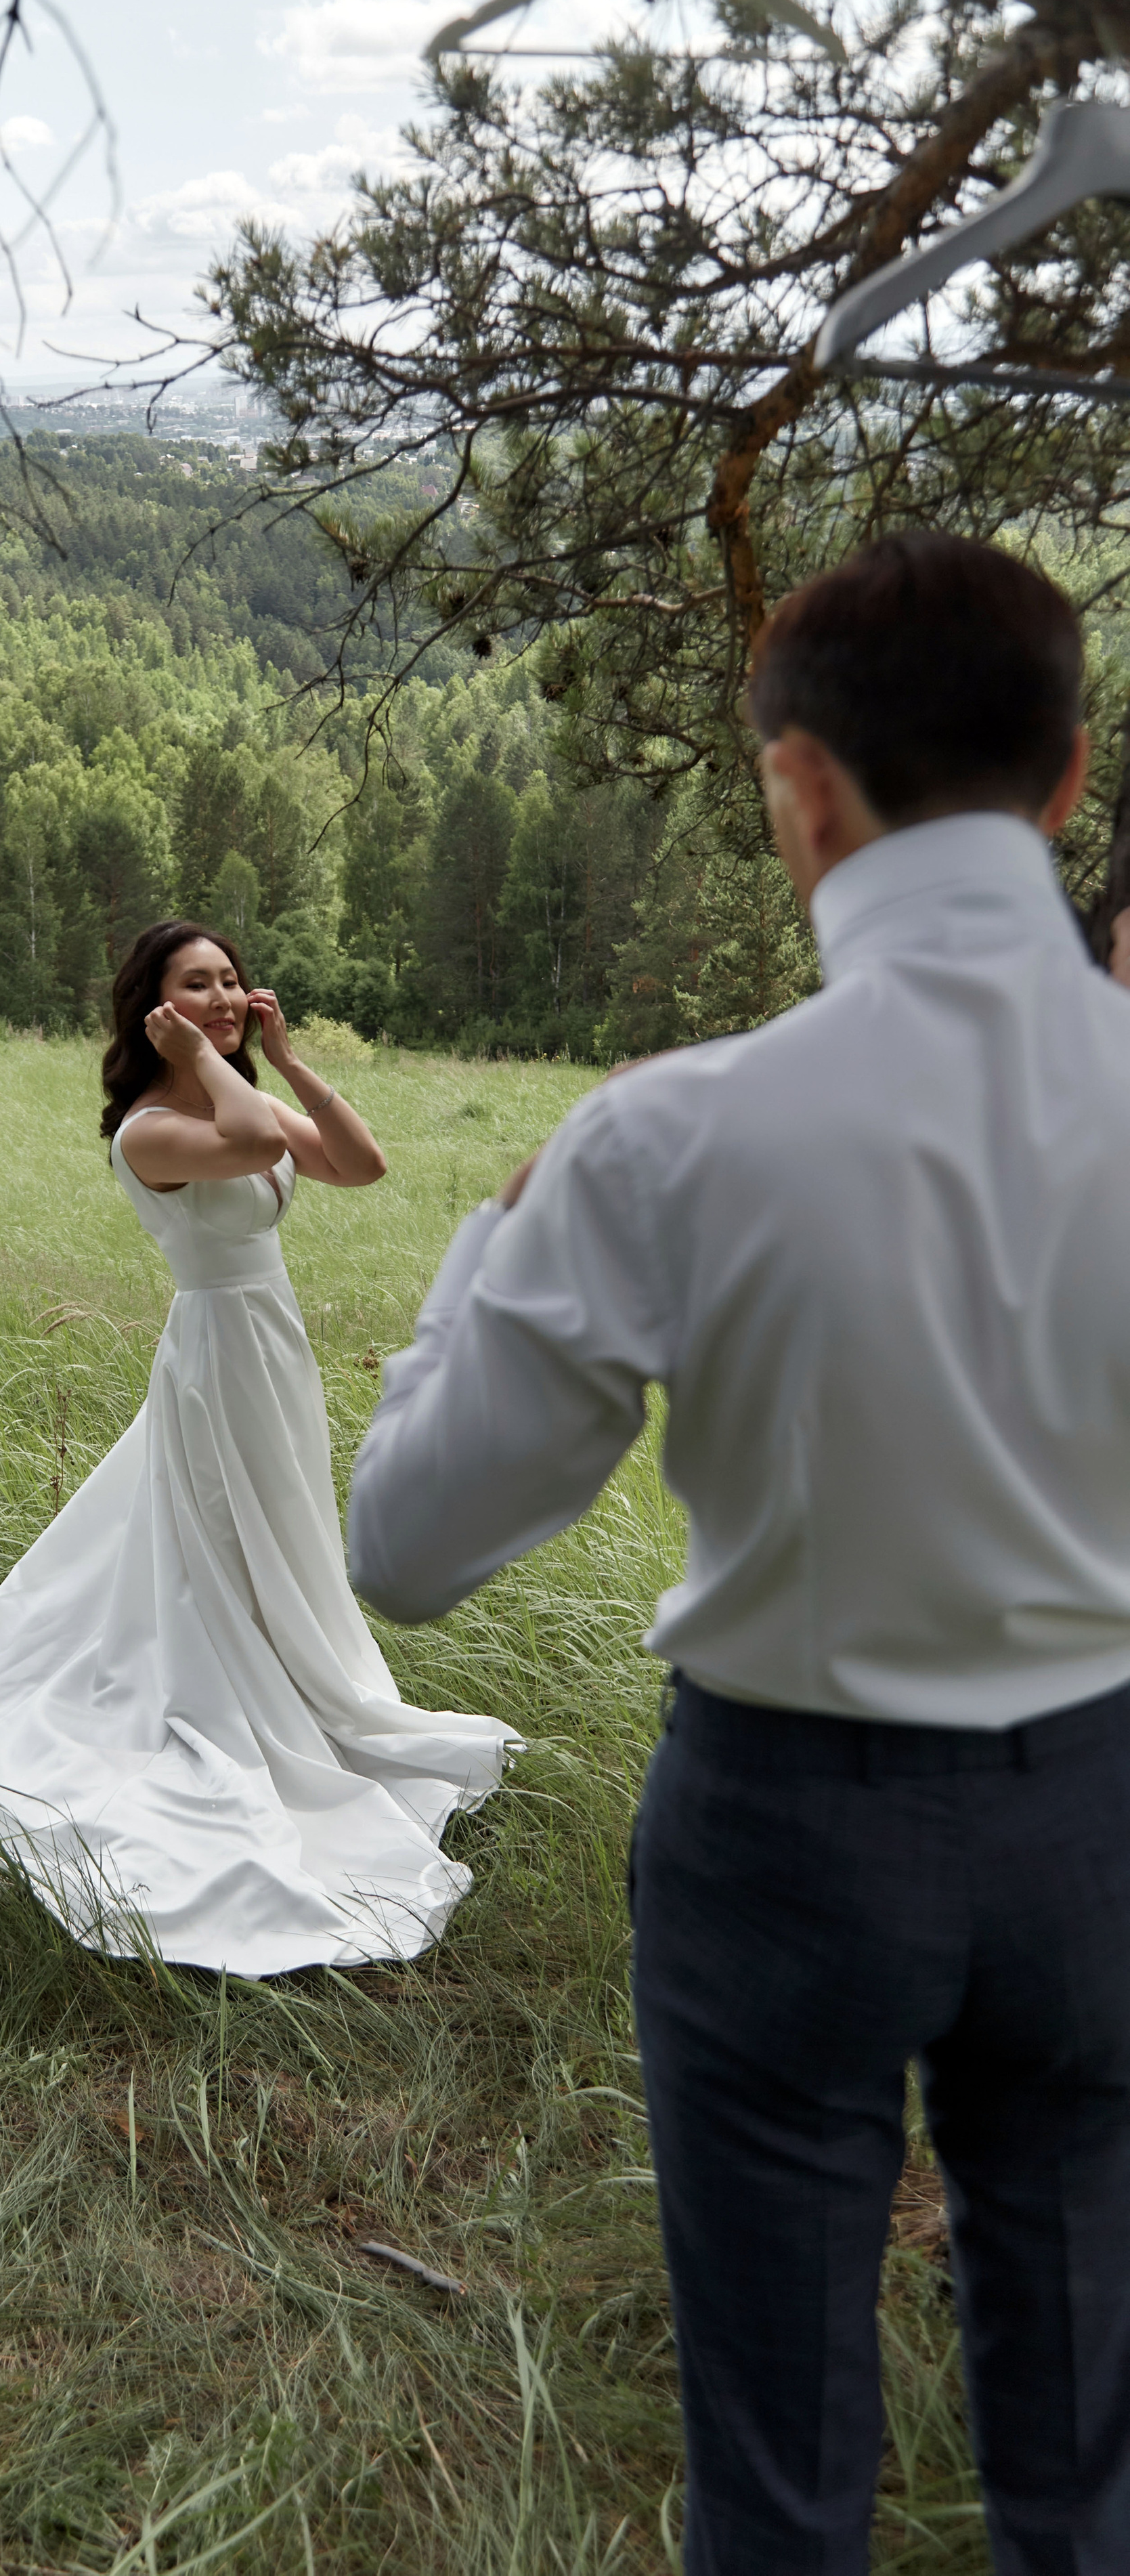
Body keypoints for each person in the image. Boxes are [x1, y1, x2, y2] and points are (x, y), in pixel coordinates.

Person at [345, 532, 1130, 2573]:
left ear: (797, 788)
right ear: (1066, 779)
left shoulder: (665, 1139)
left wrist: (492, 1248)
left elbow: (404, 1549)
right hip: (1103, 1816)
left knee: (776, 2465)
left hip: (786, 1833)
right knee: (1092, 2442)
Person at [0, 919, 517, 1977]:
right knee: (217, 1534)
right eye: (198, 985)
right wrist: (209, 1061)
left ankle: (298, 1682)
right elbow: (254, 1149)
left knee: (281, 1530)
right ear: (156, 1009)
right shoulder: (149, 1132)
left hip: (274, 1350)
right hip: (217, 1353)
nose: (226, 997)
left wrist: (290, 1061)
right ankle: (217, 1693)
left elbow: (361, 1164)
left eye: (232, 980)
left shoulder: (235, 1095)